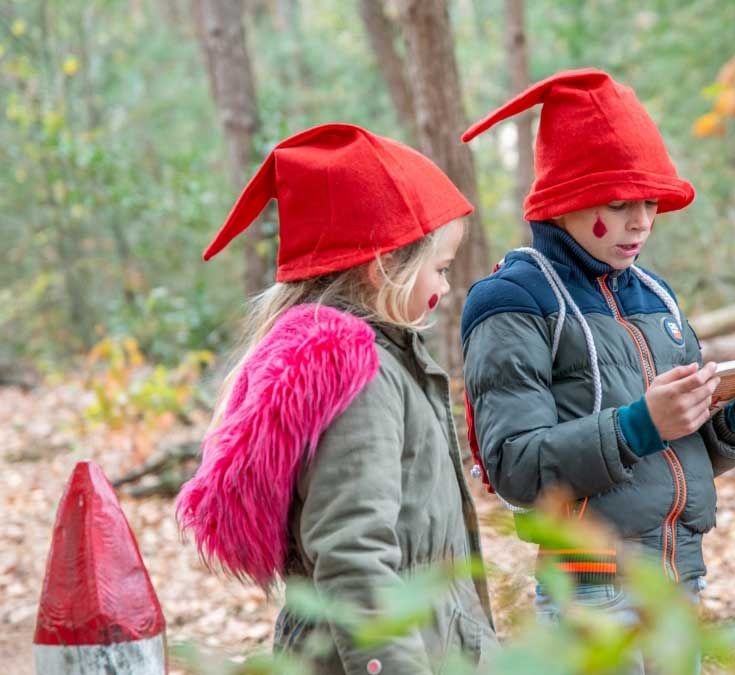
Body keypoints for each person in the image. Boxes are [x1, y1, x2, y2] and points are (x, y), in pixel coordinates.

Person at [459, 69, 735, 669]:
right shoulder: (512, 301)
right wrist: (641, 424)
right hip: (590, 597)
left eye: (650, 202)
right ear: (562, 201)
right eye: (618, 204)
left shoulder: (655, 296)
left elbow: (679, 454)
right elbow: (515, 466)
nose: (640, 221)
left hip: (678, 582)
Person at [176, 123, 496, 674]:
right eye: (440, 269)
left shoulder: (387, 362)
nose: (445, 287)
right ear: (383, 269)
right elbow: (353, 554)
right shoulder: (361, 379)